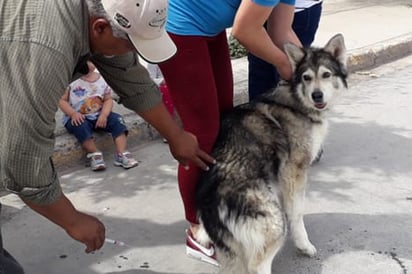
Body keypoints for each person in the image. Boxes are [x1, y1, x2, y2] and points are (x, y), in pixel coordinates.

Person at [0, 0, 214, 273]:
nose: (132, 52)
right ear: (99, 28)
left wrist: (175, 135)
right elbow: (22, 158)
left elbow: (128, 74)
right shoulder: (44, 47)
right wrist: (72, 220)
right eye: (131, 46)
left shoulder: (103, 12)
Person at [158, 0, 302, 265]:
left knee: (226, 124)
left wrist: (307, 65)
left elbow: (281, 32)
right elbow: (245, 31)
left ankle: (218, 211)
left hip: (208, 28)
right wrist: (285, 64)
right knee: (201, 134)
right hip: (181, 25)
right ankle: (196, 230)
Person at [59, 61, 139, 171]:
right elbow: (62, 100)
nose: (87, 64)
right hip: (78, 116)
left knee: (118, 120)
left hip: (99, 114)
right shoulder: (71, 80)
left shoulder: (102, 79)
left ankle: (121, 153)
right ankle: (94, 153)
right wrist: (73, 113)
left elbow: (107, 100)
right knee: (80, 126)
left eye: (90, 61)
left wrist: (104, 115)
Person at [248, 0, 323, 100]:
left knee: (294, 86)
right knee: (263, 81)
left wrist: (283, 64)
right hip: (261, 9)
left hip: (295, 11)